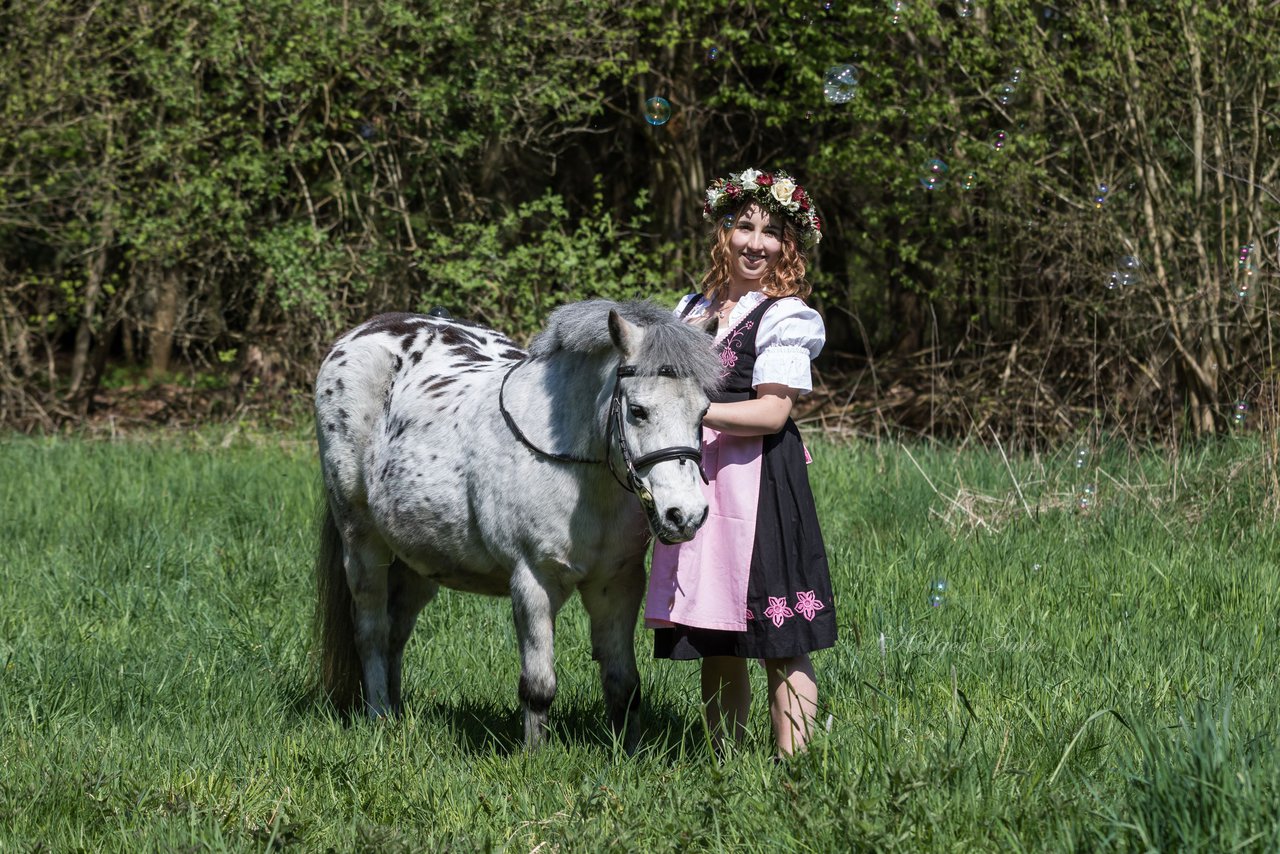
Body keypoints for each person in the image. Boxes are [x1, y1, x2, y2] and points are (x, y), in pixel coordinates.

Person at [645, 167, 836, 758]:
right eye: (744, 226)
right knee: (716, 635)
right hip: (699, 479)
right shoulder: (691, 309)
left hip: (761, 482)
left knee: (781, 633)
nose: (756, 241)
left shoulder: (784, 316)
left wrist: (692, 410)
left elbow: (773, 412)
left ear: (788, 244)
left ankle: (794, 767)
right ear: (723, 234)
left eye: (771, 231)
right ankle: (724, 763)